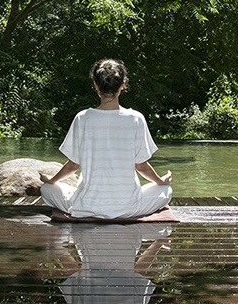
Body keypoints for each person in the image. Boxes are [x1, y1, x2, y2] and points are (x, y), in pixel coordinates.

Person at [39, 59, 173, 220]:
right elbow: (141, 166)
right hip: (129, 208)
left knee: (46, 189)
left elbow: (73, 165)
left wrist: (51, 180)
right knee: (166, 191)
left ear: (96, 85)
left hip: (86, 206)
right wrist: (160, 181)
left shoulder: (82, 118)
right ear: (123, 84)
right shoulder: (136, 119)